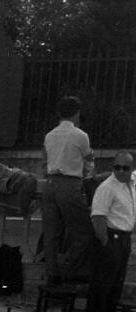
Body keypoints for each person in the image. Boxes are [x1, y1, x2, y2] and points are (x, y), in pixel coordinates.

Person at [84, 151, 135, 312]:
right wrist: (106, 245)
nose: (121, 171)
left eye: (125, 168)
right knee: (102, 292)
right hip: (110, 238)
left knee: (113, 291)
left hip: (123, 239)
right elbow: (97, 218)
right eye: (117, 167)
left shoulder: (131, 184)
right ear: (112, 167)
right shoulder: (107, 188)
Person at [42, 95, 96, 286]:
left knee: (51, 233)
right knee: (83, 230)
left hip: (49, 185)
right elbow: (89, 162)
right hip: (70, 184)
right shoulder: (80, 136)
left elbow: (45, 161)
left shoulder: (49, 135)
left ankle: (52, 274)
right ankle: (74, 272)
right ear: (77, 113)